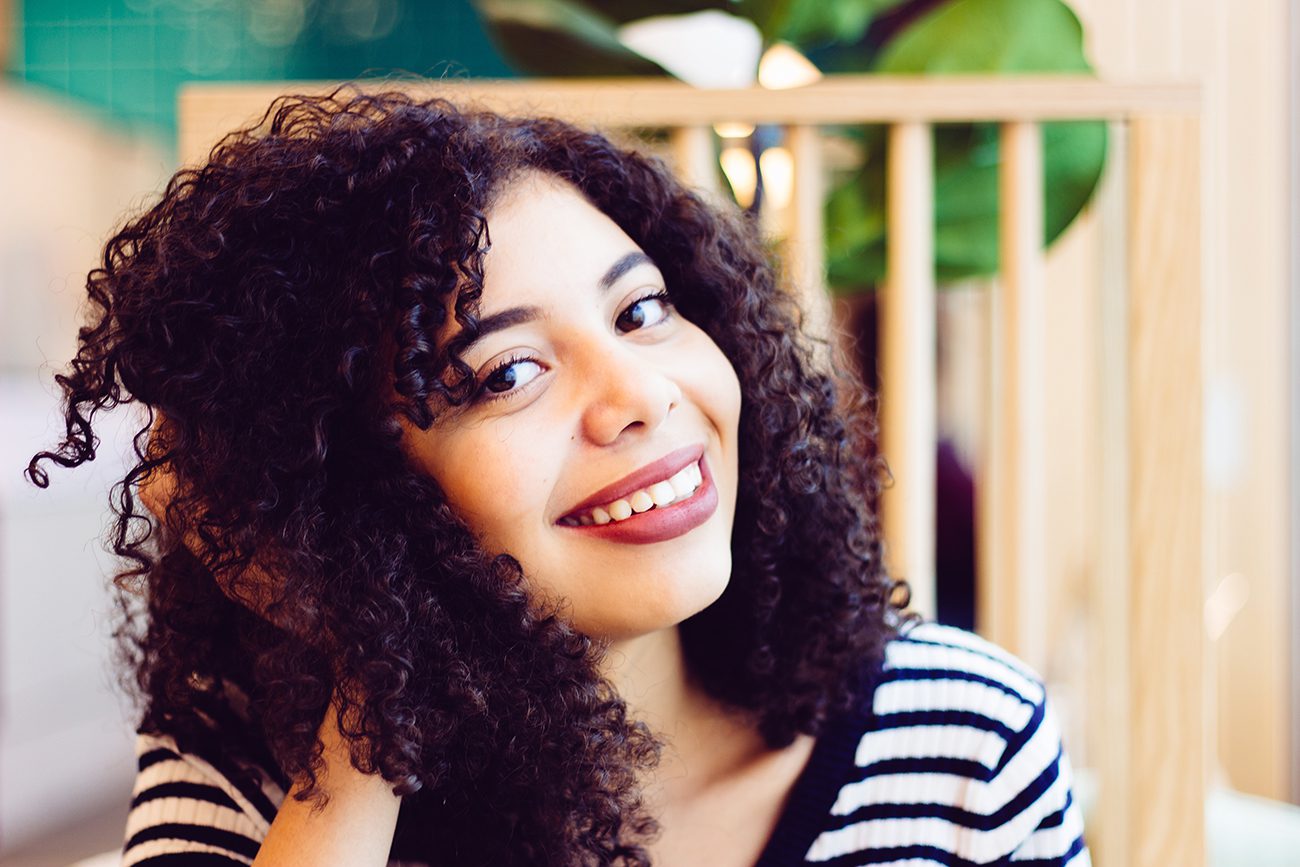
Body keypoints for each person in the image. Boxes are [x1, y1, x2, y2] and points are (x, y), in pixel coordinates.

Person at [27, 86, 1090, 867]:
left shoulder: (958, 737)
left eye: (641, 313)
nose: (640, 392)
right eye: (509, 372)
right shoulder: (256, 768)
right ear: (340, 491)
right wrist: (369, 714)